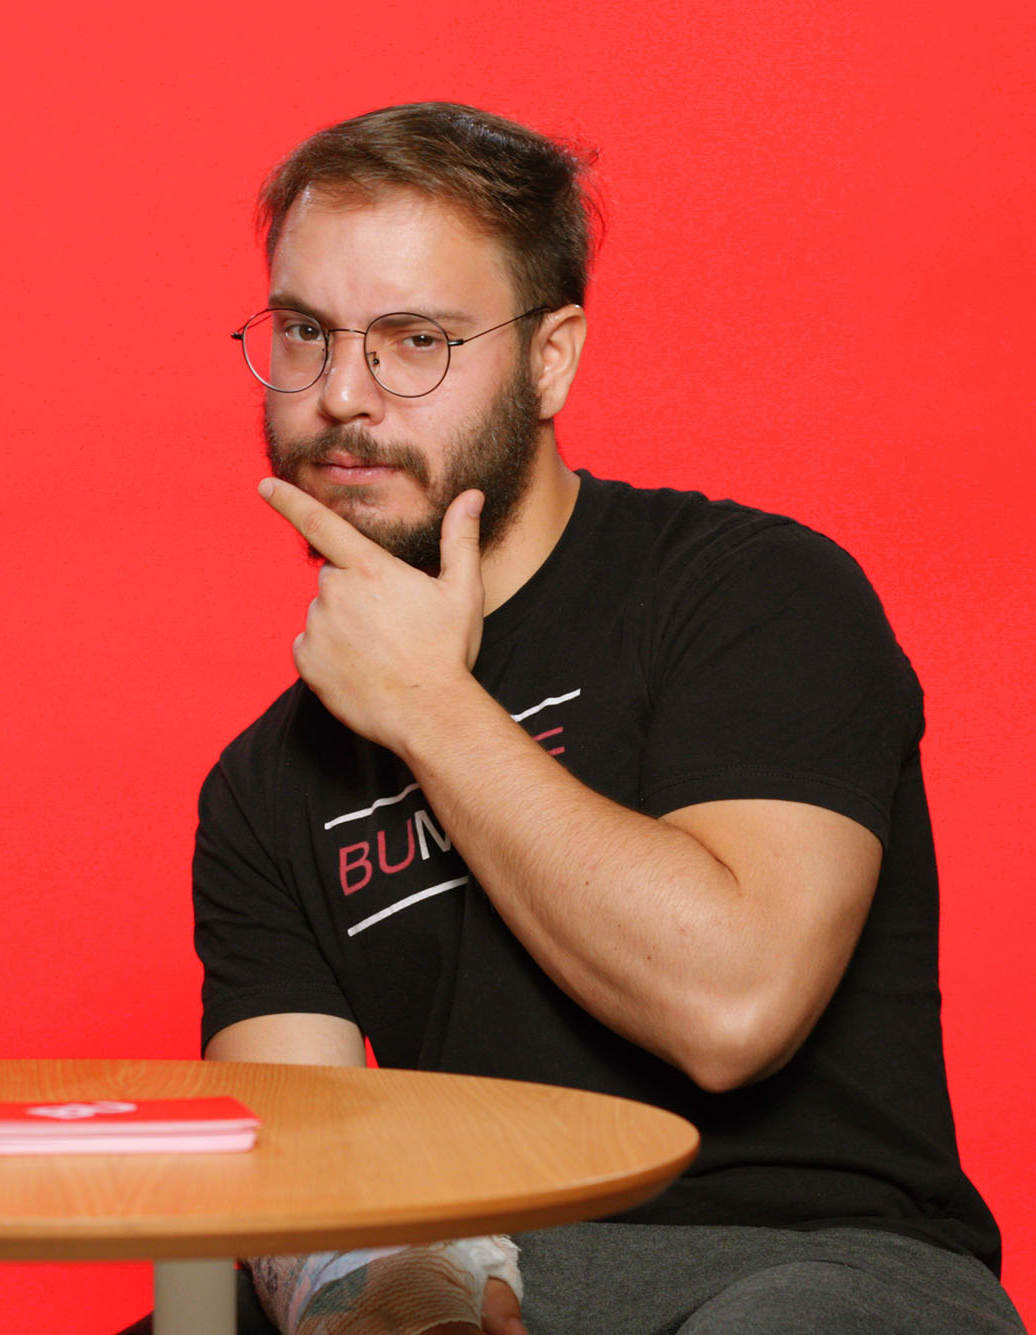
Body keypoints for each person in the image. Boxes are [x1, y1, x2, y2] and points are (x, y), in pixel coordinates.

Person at [188, 103, 1021, 1335]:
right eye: (305, 332)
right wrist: (377, 1298)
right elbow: (300, 1176)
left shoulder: (745, 592)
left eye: (413, 339)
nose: (341, 396)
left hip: (808, 1267)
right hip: (480, 1283)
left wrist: (430, 710)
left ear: (550, 358)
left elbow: (730, 1006)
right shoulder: (265, 781)